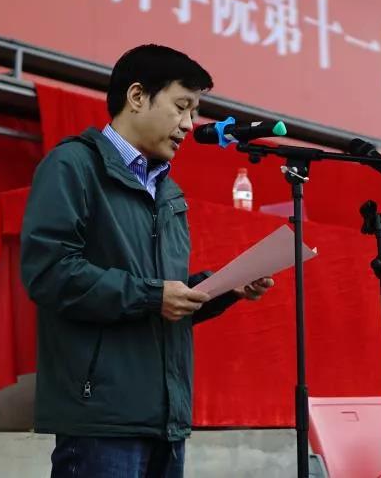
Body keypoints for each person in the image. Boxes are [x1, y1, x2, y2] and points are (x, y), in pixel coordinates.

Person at [20, 44, 274, 478]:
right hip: (102, 418)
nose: (190, 125)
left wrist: (222, 288)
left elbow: (162, 297)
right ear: (137, 97)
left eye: (194, 111)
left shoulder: (170, 194)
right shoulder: (73, 166)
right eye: (182, 107)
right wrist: (153, 296)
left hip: (166, 422)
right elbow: (50, 272)